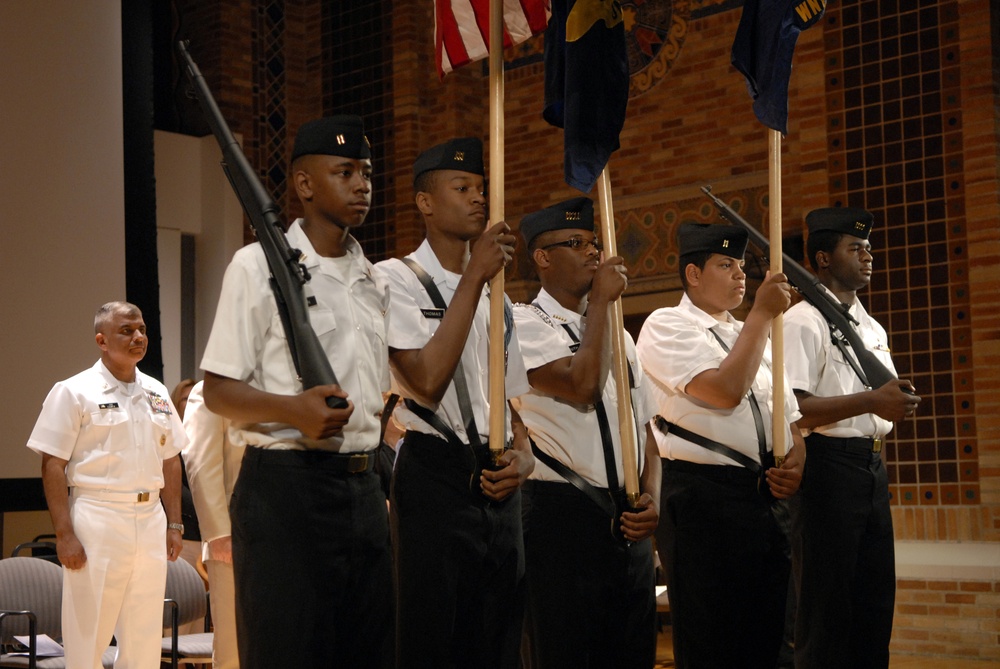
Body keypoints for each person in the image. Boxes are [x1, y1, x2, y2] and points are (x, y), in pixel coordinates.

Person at [200, 115, 393, 669]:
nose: (362, 185)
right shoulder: (255, 266)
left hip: (362, 489)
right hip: (286, 489)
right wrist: (292, 411)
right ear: (304, 185)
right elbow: (218, 389)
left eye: (367, 172)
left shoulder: (373, 278)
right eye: (344, 171)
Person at [376, 137, 534, 669]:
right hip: (434, 474)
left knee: (499, 642)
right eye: (461, 187)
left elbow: (512, 406)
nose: (477, 199)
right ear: (424, 201)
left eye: (481, 190)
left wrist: (524, 455)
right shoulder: (393, 278)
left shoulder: (500, 296)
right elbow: (424, 381)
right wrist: (473, 276)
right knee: (432, 641)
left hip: (498, 479)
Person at [635, 223, 805, 669]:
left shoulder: (752, 333)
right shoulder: (666, 324)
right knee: (715, 640)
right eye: (725, 265)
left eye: (742, 265)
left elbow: (789, 417)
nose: (740, 275)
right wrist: (762, 316)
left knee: (773, 639)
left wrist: (796, 458)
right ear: (693, 274)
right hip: (703, 497)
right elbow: (724, 391)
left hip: (764, 495)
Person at [511, 197, 661, 668]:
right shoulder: (521, 322)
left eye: (594, 242)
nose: (594, 252)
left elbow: (647, 431)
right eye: (575, 243)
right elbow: (583, 385)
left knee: (632, 654)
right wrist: (601, 300)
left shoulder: (620, 332)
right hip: (563, 519)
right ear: (542, 257)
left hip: (628, 515)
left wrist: (652, 497)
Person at [783, 208, 921, 669]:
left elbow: (885, 398)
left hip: (871, 468)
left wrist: (893, 403)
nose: (869, 256)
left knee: (874, 606)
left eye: (870, 248)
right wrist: (870, 402)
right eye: (855, 248)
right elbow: (794, 408)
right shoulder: (802, 321)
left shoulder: (871, 326)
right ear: (822, 258)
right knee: (826, 614)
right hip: (827, 468)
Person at [26, 301, 186, 669]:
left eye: (142, 329)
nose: (138, 337)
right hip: (97, 515)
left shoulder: (158, 391)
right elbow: (53, 463)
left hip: (150, 518)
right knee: (89, 630)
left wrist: (175, 523)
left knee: (145, 631)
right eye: (126, 330)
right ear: (101, 340)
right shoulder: (73, 390)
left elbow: (171, 458)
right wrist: (63, 533)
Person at [180, 381, 243, 669]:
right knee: (234, 648)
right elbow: (200, 463)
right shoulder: (210, 391)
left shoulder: (288, 385)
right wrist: (218, 534)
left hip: (291, 532)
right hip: (236, 533)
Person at [170, 378, 203, 579]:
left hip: (212, 536)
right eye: (185, 399)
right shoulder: (170, 441)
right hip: (185, 535)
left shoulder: (211, 438)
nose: (191, 402)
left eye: (196, 398)